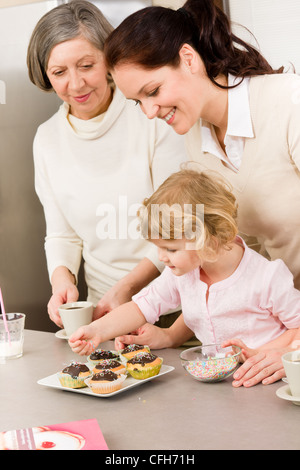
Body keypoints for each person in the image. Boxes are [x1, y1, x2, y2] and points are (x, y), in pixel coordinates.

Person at [102, 0, 300, 382]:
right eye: (137, 101)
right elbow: (229, 253)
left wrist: (291, 349)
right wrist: (172, 332)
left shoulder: (288, 104)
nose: (149, 111)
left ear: (189, 59)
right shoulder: (198, 139)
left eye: (153, 90)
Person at [26, 0, 187, 330]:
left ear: (109, 60)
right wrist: (62, 282)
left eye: (86, 65)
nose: (76, 84)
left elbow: (179, 225)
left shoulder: (152, 115)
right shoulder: (47, 140)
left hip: (178, 307)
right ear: (45, 75)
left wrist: (128, 289)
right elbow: (61, 234)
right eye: (59, 72)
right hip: (106, 315)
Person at [69, 169, 300, 387]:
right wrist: (96, 330)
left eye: (170, 249)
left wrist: (265, 352)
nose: (162, 258)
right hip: (222, 387)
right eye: (158, 248)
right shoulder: (182, 274)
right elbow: (142, 306)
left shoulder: (267, 277)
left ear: (209, 239)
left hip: (272, 382)